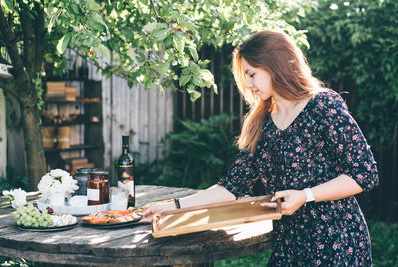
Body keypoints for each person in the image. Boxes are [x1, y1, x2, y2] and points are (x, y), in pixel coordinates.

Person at [142, 30, 379, 266]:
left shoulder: (323, 105)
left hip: (337, 242)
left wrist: (305, 196)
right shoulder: (262, 122)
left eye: (252, 74)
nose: (248, 84)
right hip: (289, 245)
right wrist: (171, 208)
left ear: (275, 65)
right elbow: (231, 186)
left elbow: (364, 173)